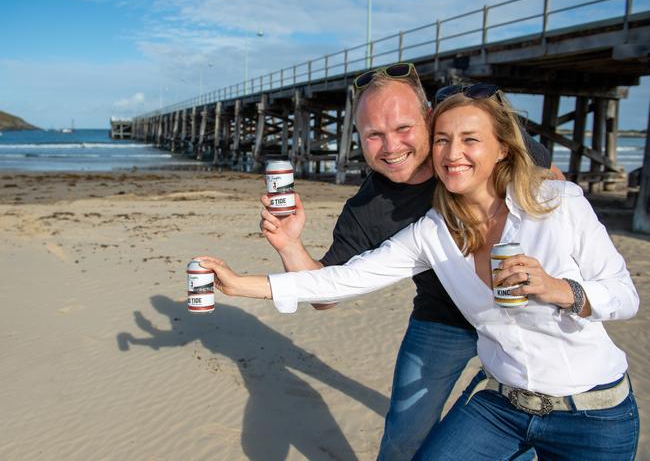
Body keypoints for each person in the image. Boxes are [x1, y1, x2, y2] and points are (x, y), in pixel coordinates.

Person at [198, 84, 639, 459]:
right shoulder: (424, 228)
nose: (452, 154)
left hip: (590, 407)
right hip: (472, 359)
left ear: (501, 145)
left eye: (469, 140)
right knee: (408, 435)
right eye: (444, 140)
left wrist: (563, 288)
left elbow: (621, 292)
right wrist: (248, 277)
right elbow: (336, 283)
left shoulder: (555, 201)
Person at [257, 63, 556, 460]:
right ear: (358, 138)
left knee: (526, 434)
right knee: (403, 438)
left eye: (403, 129)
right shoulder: (367, 207)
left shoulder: (472, 144)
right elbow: (325, 294)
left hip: (520, 311)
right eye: (374, 135)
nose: (391, 147)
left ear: (429, 118)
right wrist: (289, 244)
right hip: (441, 320)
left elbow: (552, 179)